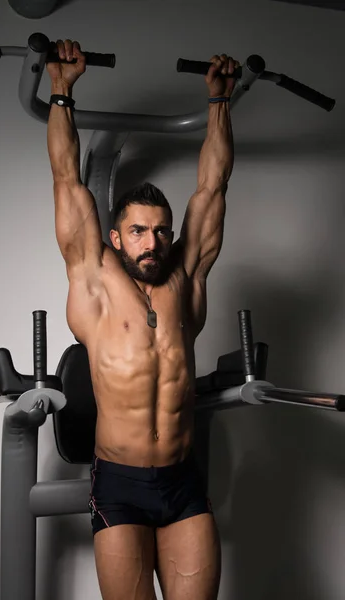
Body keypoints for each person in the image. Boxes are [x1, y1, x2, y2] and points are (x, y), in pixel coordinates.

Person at [47, 39, 237, 600]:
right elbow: (65, 180)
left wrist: (219, 102)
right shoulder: (94, 280)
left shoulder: (187, 279)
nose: (151, 242)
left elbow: (213, 186)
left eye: (160, 230)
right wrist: (61, 90)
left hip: (182, 480)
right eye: (137, 230)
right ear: (114, 237)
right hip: (120, 484)